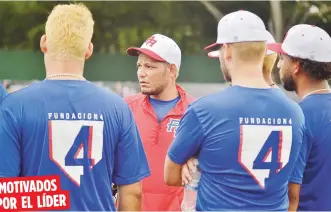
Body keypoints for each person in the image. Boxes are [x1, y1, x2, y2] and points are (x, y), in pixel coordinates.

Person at [0, 3, 150, 211]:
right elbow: (132, 191)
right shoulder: (118, 108)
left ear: (44, 43)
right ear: (89, 50)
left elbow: (5, 192)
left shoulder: (14, 107)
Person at [164, 10, 305, 211]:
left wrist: (195, 160)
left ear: (227, 51)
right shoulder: (295, 113)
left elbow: (170, 176)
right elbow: (292, 188)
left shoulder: (204, 110)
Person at [124, 33, 195, 211]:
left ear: (171, 70)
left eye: (149, 66)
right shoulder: (125, 108)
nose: (141, 73)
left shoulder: (196, 111)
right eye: (139, 65)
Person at [268, 24, 331, 211]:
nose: (279, 65)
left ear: (296, 65)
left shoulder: (298, 116)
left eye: (282, 58)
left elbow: (290, 194)